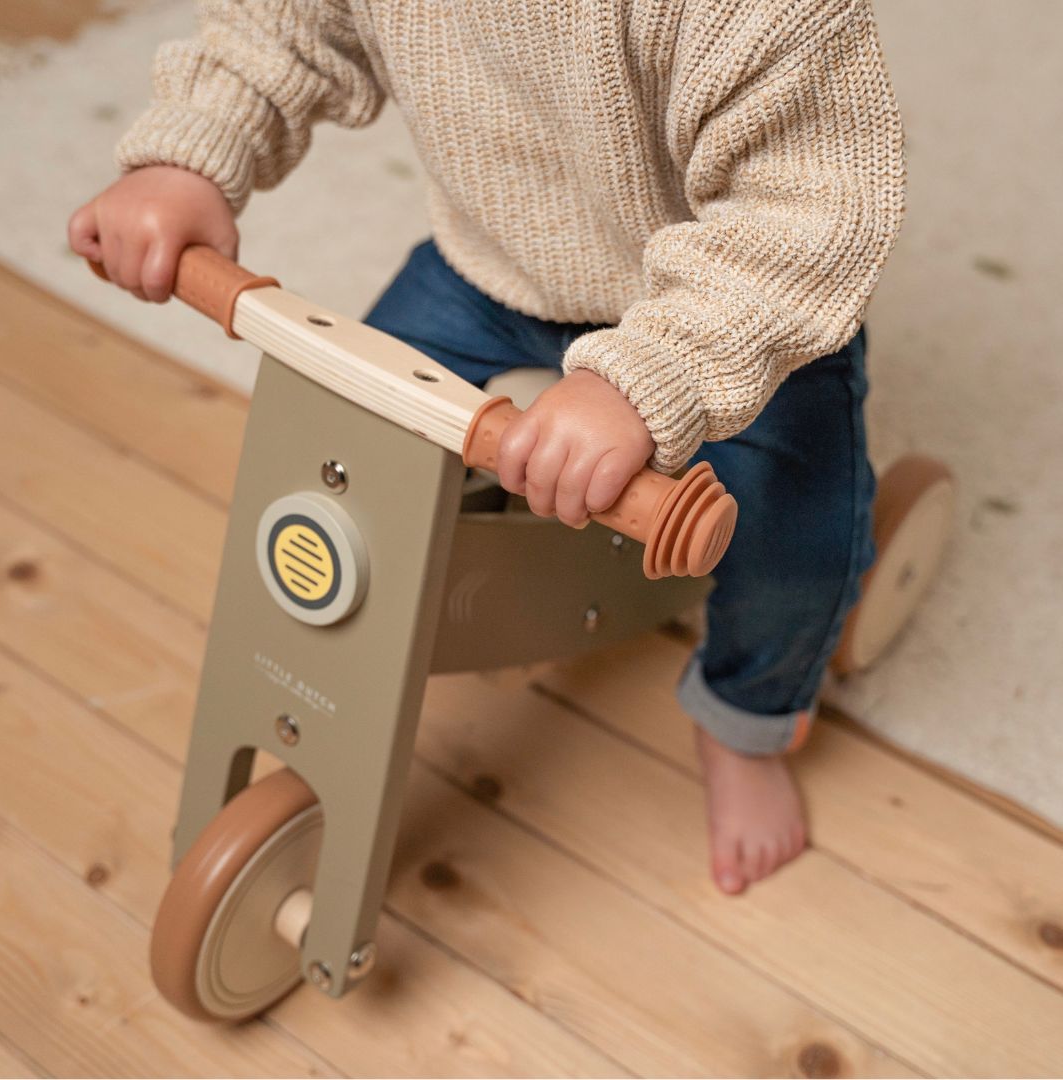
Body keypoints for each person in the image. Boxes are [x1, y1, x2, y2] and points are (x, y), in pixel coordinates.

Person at [68, 0, 904, 895]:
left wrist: (652, 371)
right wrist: (191, 150)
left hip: (716, 302)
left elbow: (811, 212)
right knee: (341, 455)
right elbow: (287, 23)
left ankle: (747, 720)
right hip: (491, 268)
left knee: (789, 532)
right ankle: (343, 673)